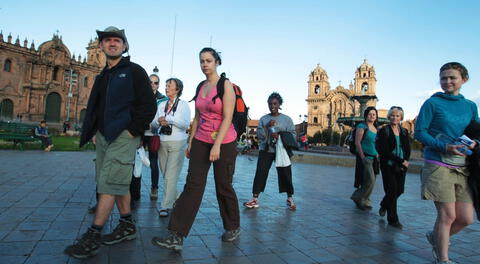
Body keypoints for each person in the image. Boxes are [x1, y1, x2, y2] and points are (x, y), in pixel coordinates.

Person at [64, 26, 156, 259]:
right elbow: (97, 107)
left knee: (108, 182)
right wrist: (95, 130)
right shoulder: (102, 75)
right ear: (102, 46)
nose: (112, 44)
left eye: (117, 40)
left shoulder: (135, 71)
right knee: (116, 182)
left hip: (124, 136)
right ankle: (126, 224)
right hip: (104, 136)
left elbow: (148, 106)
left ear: (124, 46)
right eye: (107, 41)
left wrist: (132, 131)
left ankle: (94, 235)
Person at [151, 47, 240, 251]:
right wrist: (191, 141)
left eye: (208, 60)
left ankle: (233, 226)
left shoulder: (226, 86)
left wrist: (216, 146)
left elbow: (227, 117)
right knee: (193, 185)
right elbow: (198, 116)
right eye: (201, 61)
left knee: (223, 185)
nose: (204, 64)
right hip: (201, 138)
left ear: (217, 62)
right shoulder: (201, 86)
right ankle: (176, 235)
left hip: (224, 141)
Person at [415, 62, 478, 264]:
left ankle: (436, 237)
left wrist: (476, 142)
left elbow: (474, 130)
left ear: (464, 79)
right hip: (438, 164)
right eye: (444, 78)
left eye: (452, 77)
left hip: (463, 166)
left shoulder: (470, 106)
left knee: (466, 218)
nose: (448, 81)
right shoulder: (432, 103)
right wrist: (443, 146)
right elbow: (420, 132)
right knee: (448, 215)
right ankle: (443, 259)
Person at [244, 92, 297, 209]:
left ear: (279, 104)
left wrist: (280, 135)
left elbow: (293, 135)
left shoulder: (287, 120)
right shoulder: (264, 119)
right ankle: (254, 198)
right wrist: (267, 126)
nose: (272, 106)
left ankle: (290, 197)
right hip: (266, 150)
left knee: (285, 173)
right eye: (270, 104)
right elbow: (259, 135)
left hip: (282, 151)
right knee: (261, 173)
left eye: (275, 103)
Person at [151, 78, 190, 217]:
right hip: (162, 141)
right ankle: (177, 197)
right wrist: (158, 121)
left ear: (177, 89)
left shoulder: (183, 105)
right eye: (166, 85)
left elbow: (185, 124)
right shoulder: (161, 105)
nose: (166, 88)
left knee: (170, 175)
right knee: (166, 174)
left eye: (169, 86)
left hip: (178, 142)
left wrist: (170, 119)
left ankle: (165, 206)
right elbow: (153, 124)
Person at [376, 106, 411, 229]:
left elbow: (407, 148)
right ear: (389, 116)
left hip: (401, 166)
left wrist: (406, 160)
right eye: (392, 115)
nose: (395, 117)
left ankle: (384, 204)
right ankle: (393, 220)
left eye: (397, 116)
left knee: (399, 190)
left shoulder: (404, 131)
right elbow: (384, 151)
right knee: (391, 191)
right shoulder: (384, 131)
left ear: (401, 117)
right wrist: (401, 160)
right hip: (388, 165)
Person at [144, 74, 168, 200]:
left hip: (154, 133)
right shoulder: (140, 96)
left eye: (155, 82)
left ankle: (154, 188)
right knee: (135, 160)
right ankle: (133, 190)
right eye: (150, 82)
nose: (153, 84)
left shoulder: (163, 99)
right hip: (140, 133)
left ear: (158, 85)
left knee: (153, 162)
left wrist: (154, 125)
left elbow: (163, 116)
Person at [351, 106, 379, 210]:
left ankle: (364, 200)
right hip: (365, 157)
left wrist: (378, 155)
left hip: (374, 157)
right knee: (370, 180)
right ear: (366, 115)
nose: (372, 116)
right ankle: (357, 197)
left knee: (372, 181)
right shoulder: (362, 126)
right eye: (370, 114)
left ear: (376, 116)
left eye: (374, 114)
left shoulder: (376, 129)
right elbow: (357, 143)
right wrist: (362, 157)